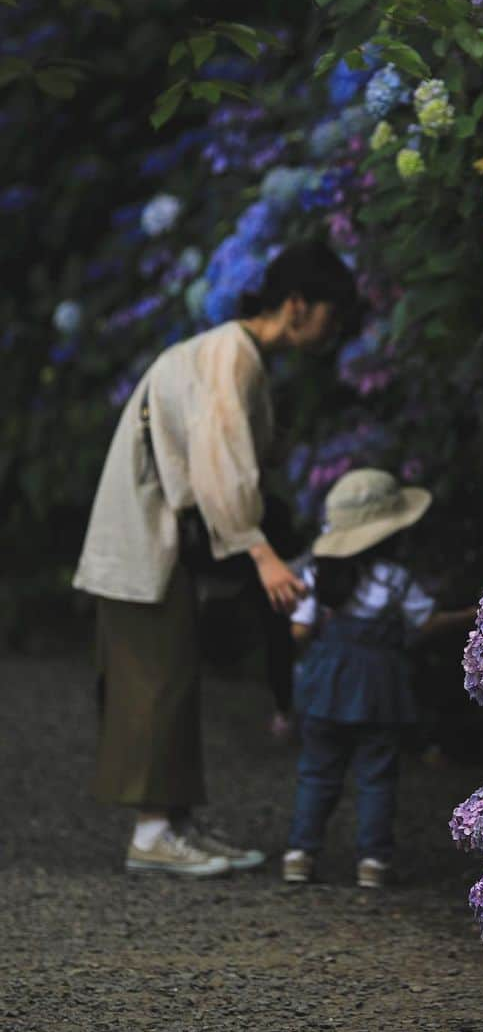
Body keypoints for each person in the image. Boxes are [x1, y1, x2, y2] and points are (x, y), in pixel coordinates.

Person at [74, 239, 357, 878]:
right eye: (329, 315)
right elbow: (219, 461)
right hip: (145, 529)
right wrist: (259, 552)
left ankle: (171, 824)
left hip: (154, 525)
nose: (332, 329)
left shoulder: (232, 351)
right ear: (296, 305)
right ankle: (151, 832)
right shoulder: (232, 352)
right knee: (154, 676)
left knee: (169, 671)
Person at [282, 468, 475, 888]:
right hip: (380, 689)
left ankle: (300, 853)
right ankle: (372, 862)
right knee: (376, 776)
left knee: (316, 771)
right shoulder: (395, 579)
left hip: (325, 686)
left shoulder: (317, 575)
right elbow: (424, 624)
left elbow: (298, 631)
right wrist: (470, 616)